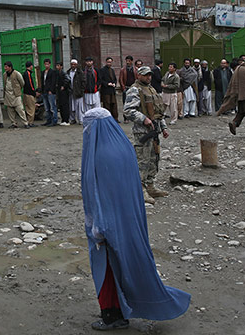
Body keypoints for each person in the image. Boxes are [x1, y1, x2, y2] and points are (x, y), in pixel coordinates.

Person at [81, 107, 190, 330]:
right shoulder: (123, 147)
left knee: (108, 269)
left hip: (107, 225)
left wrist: (99, 227)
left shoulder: (100, 154)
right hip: (128, 221)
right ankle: (126, 307)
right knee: (129, 263)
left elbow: (100, 194)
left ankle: (112, 316)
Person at [123, 66, 169, 205]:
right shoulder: (134, 90)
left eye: (150, 75)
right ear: (139, 76)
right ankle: (140, 189)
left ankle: (150, 185)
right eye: (145, 75)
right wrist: (144, 119)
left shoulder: (152, 89)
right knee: (142, 160)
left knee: (153, 159)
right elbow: (128, 110)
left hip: (154, 131)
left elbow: (158, 112)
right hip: (142, 132)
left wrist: (164, 127)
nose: (148, 77)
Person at [217, 57, 245, 139]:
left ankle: (235, 123)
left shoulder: (239, 68)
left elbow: (234, 81)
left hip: (240, 95)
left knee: (242, 111)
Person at [3, 61, 29, 129]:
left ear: (10, 67)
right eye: (4, 67)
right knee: (10, 110)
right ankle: (14, 123)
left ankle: (25, 123)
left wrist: (17, 89)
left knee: (20, 109)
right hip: (8, 95)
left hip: (16, 94)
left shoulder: (17, 73)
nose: (5, 68)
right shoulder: (4, 74)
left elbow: (22, 83)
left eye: (6, 67)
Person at [40, 58, 59, 126]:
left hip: (50, 92)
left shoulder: (52, 72)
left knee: (52, 107)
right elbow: (42, 82)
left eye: (47, 64)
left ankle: (54, 120)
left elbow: (53, 82)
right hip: (44, 91)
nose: (46, 65)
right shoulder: (43, 72)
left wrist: (51, 90)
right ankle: (48, 120)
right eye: (45, 64)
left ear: (50, 64)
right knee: (47, 107)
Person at [99, 57, 119, 122]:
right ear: (106, 62)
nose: (109, 63)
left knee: (114, 104)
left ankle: (115, 118)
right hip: (106, 90)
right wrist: (107, 84)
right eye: (108, 62)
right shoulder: (102, 70)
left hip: (112, 90)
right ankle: (108, 118)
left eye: (110, 62)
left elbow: (115, 79)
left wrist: (114, 84)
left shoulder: (112, 70)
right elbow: (101, 80)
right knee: (107, 104)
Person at [68, 59, 85, 124]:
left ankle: (81, 119)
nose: (73, 65)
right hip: (71, 92)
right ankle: (72, 119)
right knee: (71, 107)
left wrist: (81, 91)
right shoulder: (68, 72)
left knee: (79, 107)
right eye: (72, 64)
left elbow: (83, 82)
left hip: (78, 92)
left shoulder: (80, 73)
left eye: (74, 64)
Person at [22, 61, 38, 127]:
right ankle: (30, 122)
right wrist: (34, 92)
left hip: (25, 93)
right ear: (30, 66)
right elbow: (30, 84)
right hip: (29, 94)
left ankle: (28, 121)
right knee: (31, 108)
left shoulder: (24, 73)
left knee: (27, 108)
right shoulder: (28, 74)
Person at [55, 61, 71, 126]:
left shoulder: (64, 73)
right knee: (61, 106)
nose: (57, 67)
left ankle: (66, 120)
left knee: (65, 106)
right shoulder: (57, 73)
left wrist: (64, 86)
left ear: (61, 66)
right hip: (59, 92)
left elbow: (68, 79)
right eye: (56, 66)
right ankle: (63, 119)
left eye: (58, 66)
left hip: (64, 92)